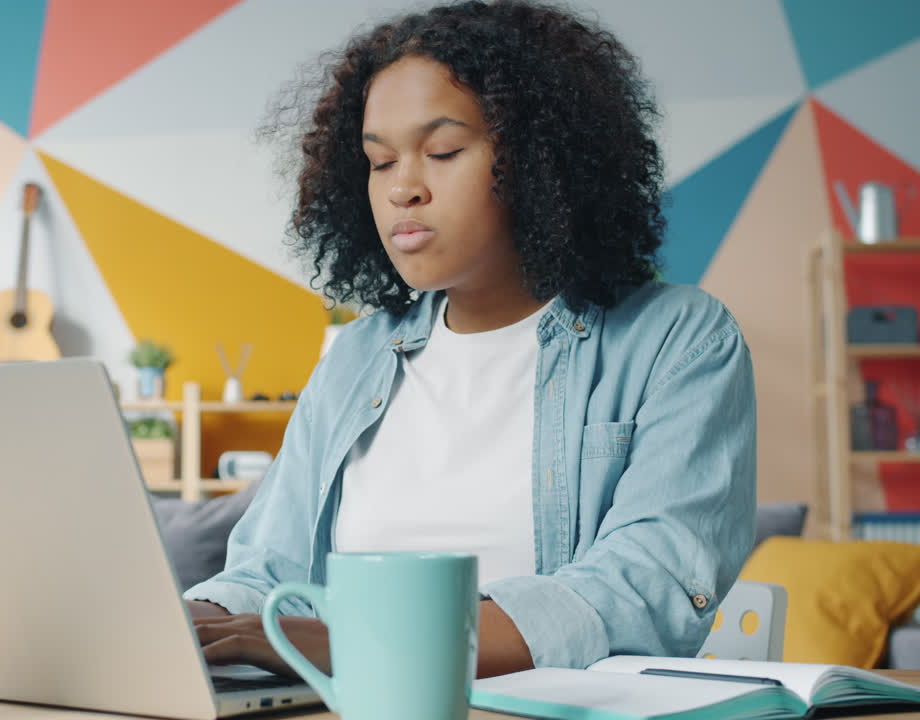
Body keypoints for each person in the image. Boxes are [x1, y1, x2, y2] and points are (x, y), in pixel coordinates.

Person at [185, 0, 757, 679]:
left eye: (443, 151)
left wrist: (371, 647)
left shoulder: (679, 341)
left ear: (543, 159)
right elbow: (266, 571)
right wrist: (190, 623)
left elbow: (645, 585)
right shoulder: (357, 356)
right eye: (378, 161)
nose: (403, 189)